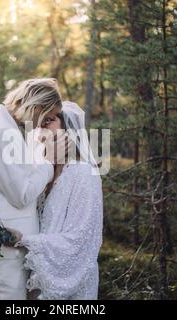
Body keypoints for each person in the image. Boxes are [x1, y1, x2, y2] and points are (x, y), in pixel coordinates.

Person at [0, 78, 63, 300]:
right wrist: (49, 162)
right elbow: (22, 194)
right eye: (46, 117)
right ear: (36, 106)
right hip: (2, 249)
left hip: (11, 247)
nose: (42, 124)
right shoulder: (2, 133)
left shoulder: (10, 128)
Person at [8, 101, 104, 300]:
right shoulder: (42, 172)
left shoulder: (84, 173)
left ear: (68, 130)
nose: (41, 125)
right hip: (39, 277)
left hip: (73, 286)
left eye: (49, 120)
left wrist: (25, 241)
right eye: (40, 121)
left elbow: (82, 239)